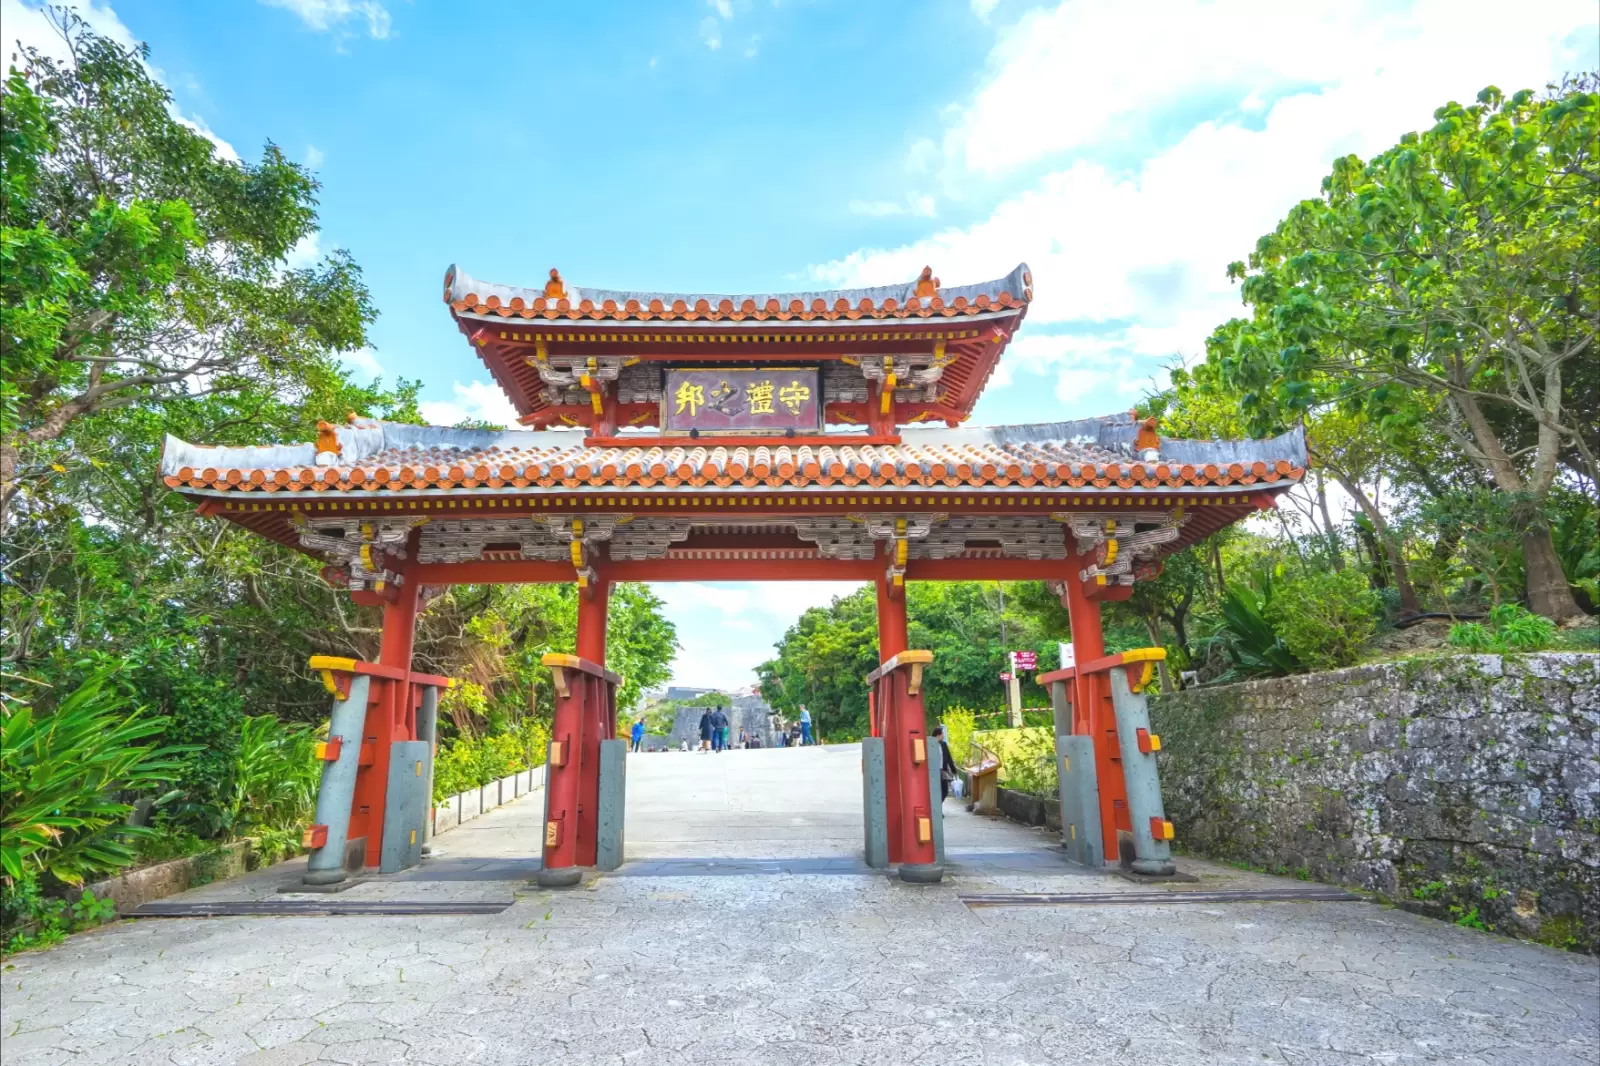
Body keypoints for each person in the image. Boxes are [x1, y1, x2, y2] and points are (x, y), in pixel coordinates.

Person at [932, 724, 959, 803]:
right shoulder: (931, 744)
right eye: (942, 734)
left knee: (945, 791)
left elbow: (949, 758)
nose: (943, 736)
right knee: (935, 792)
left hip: (942, 771)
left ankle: (937, 807)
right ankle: (936, 810)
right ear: (938, 735)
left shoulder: (943, 744)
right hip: (933, 771)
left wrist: (954, 770)